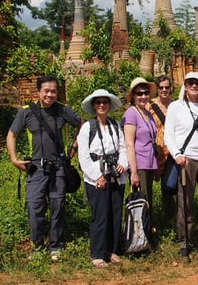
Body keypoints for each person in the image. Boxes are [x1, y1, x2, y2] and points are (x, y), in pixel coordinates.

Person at [6, 75, 81, 261]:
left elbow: (82, 125)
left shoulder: (63, 110)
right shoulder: (27, 112)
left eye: (53, 91)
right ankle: (37, 247)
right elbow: (11, 135)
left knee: (57, 206)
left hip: (58, 168)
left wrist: (73, 148)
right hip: (37, 169)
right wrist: (14, 159)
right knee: (35, 207)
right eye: (46, 91)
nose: (50, 94)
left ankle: (56, 246)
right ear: (38, 92)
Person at [164, 72, 198, 257]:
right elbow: (168, 136)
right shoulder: (175, 107)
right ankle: (184, 241)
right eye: (190, 83)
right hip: (185, 159)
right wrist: (177, 154)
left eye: (197, 83)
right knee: (185, 202)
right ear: (185, 85)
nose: (194, 86)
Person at [77, 89, 128, 268]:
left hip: (116, 176)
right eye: (98, 102)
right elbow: (83, 156)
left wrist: (123, 163)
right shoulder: (87, 128)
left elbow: (123, 147)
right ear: (93, 106)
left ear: (109, 105)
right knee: (100, 215)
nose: (101, 105)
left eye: (104, 102)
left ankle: (112, 250)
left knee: (115, 213)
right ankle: (97, 254)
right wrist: (97, 176)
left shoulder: (115, 125)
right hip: (96, 177)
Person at [123, 77, 158, 213]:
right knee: (142, 203)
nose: (143, 96)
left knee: (148, 200)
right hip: (139, 164)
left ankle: (148, 231)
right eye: (139, 93)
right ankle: (140, 233)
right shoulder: (131, 114)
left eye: (146, 93)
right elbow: (129, 144)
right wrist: (134, 172)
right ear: (133, 96)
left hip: (149, 163)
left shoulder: (148, 114)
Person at [147, 75, 177, 230]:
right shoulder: (150, 107)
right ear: (157, 89)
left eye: (167, 87)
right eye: (161, 87)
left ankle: (171, 220)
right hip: (155, 152)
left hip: (172, 152)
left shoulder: (176, 105)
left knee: (170, 186)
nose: (164, 90)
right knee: (149, 187)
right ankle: (149, 222)